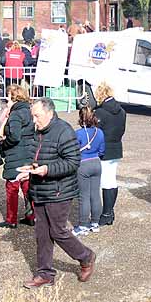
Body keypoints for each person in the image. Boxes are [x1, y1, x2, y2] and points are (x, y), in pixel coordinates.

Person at [19, 97, 96, 288]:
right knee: (42, 233)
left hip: (59, 191)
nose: (34, 120)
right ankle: (45, 274)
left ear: (49, 113)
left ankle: (86, 256)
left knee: (58, 231)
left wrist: (47, 169)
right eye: (32, 116)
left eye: (37, 116)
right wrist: (31, 168)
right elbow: (37, 155)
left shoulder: (64, 131)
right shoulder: (36, 132)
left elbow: (72, 162)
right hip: (39, 189)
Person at [0, 83, 36, 229]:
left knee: (12, 188)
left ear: (13, 97)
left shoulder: (16, 114)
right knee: (27, 186)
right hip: (29, 153)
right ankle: (32, 216)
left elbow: (14, 136)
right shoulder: (29, 111)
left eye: (8, 97)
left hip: (15, 154)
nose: (7, 100)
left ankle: (11, 219)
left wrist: (3, 145)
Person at [94, 82, 127, 226]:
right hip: (116, 147)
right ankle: (109, 211)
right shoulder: (122, 111)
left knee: (106, 182)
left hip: (104, 149)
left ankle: (106, 213)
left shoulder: (99, 112)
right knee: (111, 180)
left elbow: (95, 132)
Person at [73, 107, 105, 235]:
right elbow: (102, 151)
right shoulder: (100, 132)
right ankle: (95, 222)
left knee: (83, 196)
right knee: (95, 194)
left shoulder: (78, 133)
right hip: (96, 162)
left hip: (83, 164)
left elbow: (74, 151)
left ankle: (83, 225)